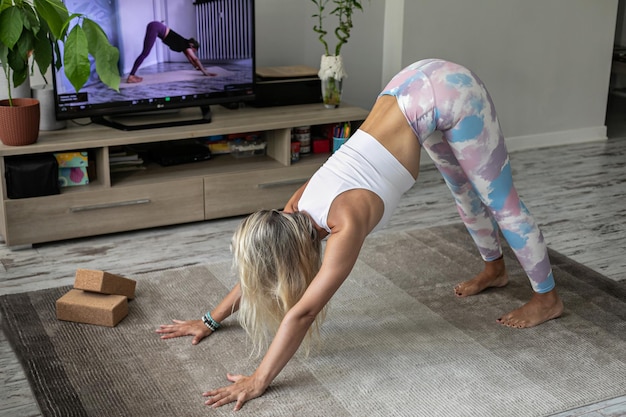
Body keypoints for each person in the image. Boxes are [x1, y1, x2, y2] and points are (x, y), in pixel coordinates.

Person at [156, 59, 564, 411]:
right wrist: (209, 320)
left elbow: (304, 312)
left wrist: (258, 379)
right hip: (412, 89)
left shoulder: (345, 223)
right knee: (464, 193)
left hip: (449, 91)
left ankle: (548, 299)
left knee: (499, 201)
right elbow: (261, 266)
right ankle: (495, 270)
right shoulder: (293, 210)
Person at [126, 21, 216, 83]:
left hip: (155, 26)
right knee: (145, 53)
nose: (193, 52)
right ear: (192, 45)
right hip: (156, 27)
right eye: (194, 50)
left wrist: (198, 68)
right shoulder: (187, 45)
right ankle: (131, 76)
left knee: (145, 53)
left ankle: (132, 75)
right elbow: (195, 59)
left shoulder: (184, 46)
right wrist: (205, 73)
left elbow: (191, 60)